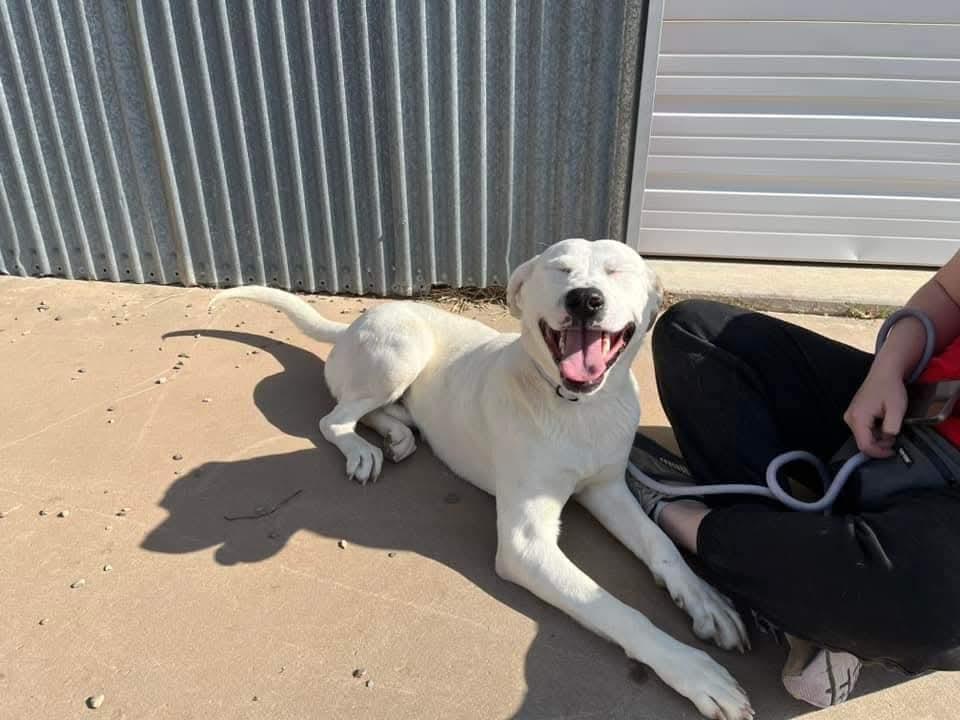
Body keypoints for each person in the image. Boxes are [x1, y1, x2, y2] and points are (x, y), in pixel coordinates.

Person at [627, 253, 960, 708]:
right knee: (696, 335)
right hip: (914, 409)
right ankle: (805, 583)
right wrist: (887, 370)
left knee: (935, 601)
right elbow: (948, 296)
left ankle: (680, 513)